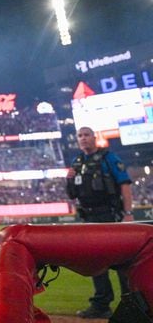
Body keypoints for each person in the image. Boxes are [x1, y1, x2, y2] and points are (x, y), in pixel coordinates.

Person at [66, 126, 133, 319]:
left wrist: (128, 213)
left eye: (87, 135)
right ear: (77, 140)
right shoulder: (76, 162)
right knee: (96, 262)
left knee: (121, 261)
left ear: (94, 138)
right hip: (89, 218)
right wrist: (68, 179)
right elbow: (72, 194)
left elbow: (125, 185)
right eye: (80, 136)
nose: (83, 138)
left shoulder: (108, 158)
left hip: (110, 216)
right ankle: (101, 304)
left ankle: (130, 302)